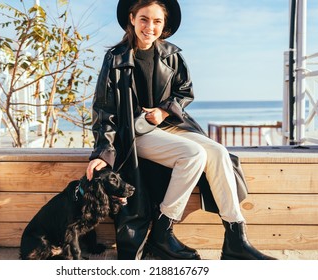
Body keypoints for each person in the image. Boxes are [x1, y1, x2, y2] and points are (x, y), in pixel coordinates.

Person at [86, 0, 276, 260]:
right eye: (144, 19)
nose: (149, 27)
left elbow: (184, 92)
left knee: (219, 152)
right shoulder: (116, 57)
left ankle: (235, 238)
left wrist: (163, 111)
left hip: (171, 126)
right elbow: (104, 108)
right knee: (194, 154)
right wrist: (102, 153)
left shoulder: (171, 54)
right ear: (132, 18)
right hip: (133, 135)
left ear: (164, 25)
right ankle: (163, 233)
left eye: (156, 21)